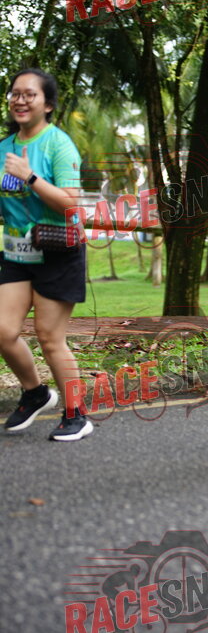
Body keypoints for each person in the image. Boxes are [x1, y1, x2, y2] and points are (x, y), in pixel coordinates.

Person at [0, 68, 93, 441]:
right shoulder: (4, 147)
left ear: (48, 104)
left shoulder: (58, 144)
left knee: (50, 337)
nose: (20, 100)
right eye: (15, 93)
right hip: (16, 253)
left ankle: (77, 414)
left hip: (57, 250)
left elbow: (71, 204)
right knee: (3, 331)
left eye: (29, 94)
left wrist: (30, 177)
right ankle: (35, 393)